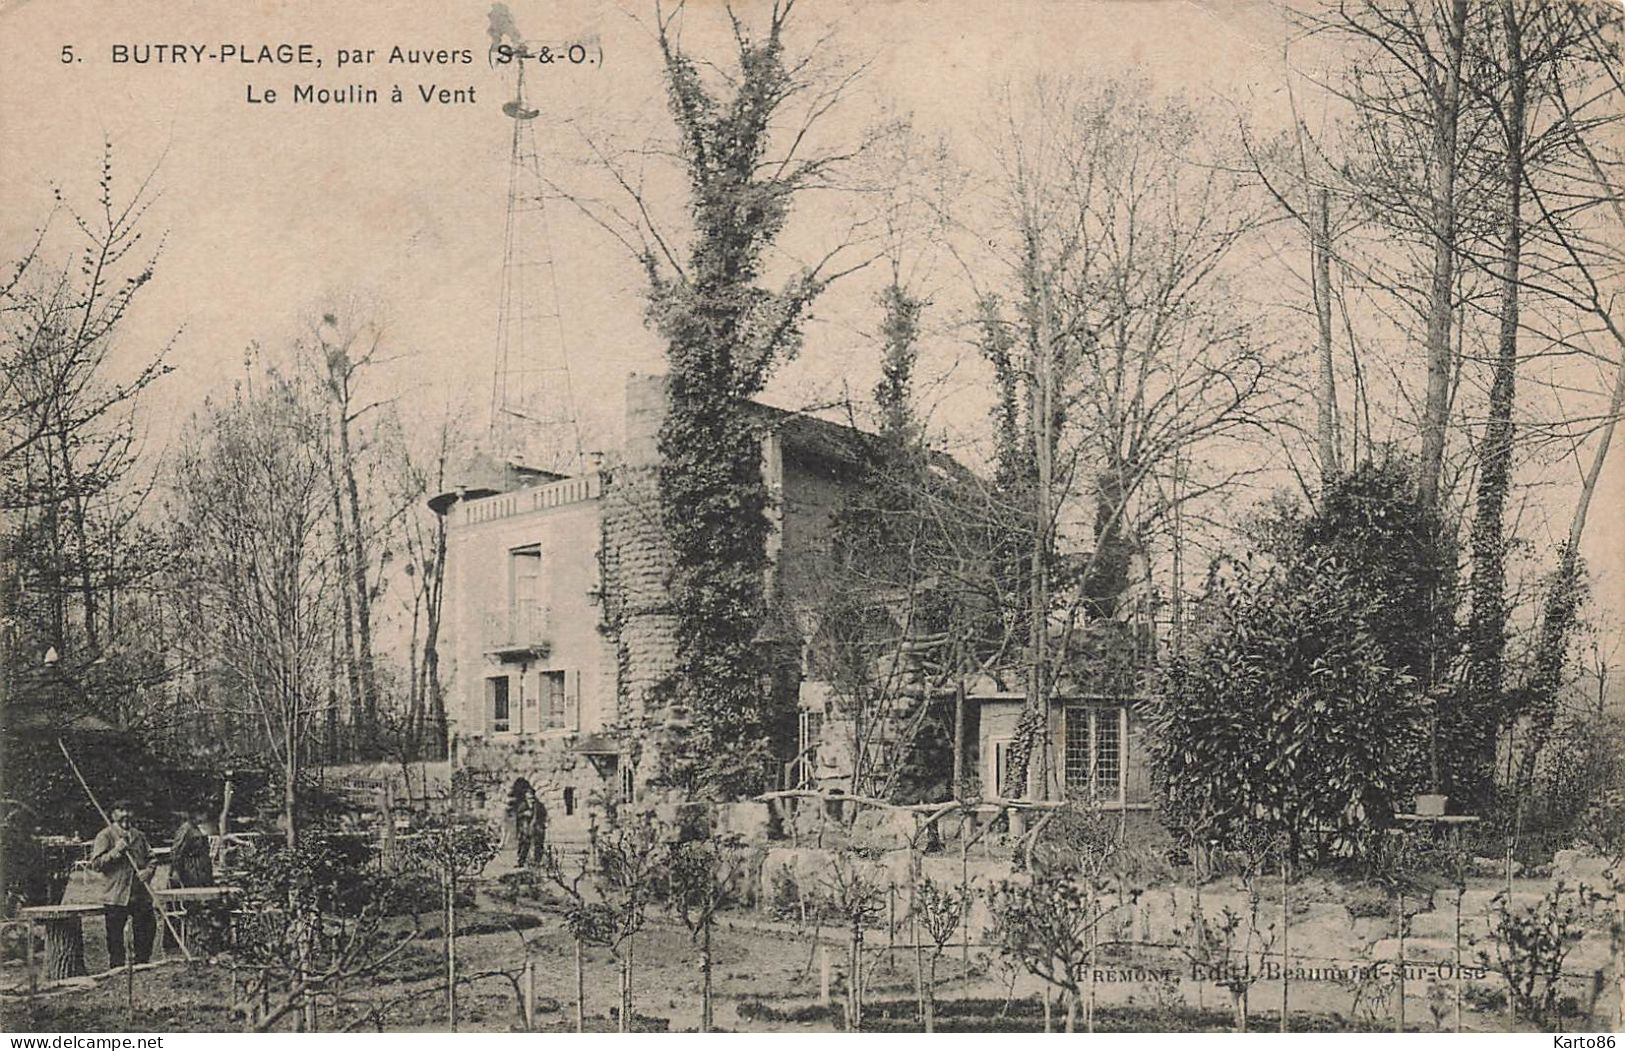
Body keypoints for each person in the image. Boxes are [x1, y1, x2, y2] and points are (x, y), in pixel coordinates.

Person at [89, 802, 157, 969]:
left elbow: (152, 859)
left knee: (147, 927)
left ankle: (142, 963)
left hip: (139, 893)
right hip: (116, 894)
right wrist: (115, 851)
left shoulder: (139, 836)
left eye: (129, 810)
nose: (126, 814)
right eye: (121, 811)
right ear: (113, 815)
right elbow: (96, 864)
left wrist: (147, 872)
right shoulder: (105, 836)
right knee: (115, 934)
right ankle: (117, 967)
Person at [170, 805, 215, 888]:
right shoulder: (185, 829)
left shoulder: (197, 828)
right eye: (204, 814)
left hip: (202, 867)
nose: (206, 817)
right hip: (192, 868)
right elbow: (176, 851)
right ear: (196, 814)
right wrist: (175, 870)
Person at [525, 788, 547, 865]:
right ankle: (535, 861)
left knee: (537, 845)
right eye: (528, 798)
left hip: (537, 828)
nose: (529, 800)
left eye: (530, 798)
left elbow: (536, 818)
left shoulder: (537, 806)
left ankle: (536, 861)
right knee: (536, 845)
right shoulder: (533, 805)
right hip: (538, 828)